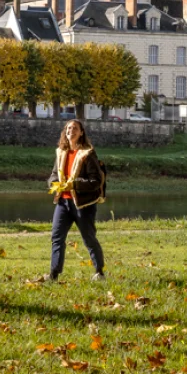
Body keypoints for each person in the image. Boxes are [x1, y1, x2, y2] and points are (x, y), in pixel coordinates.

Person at [44, 120, 107, 282]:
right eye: (68, 128)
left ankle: (99, 272)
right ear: (65, 132)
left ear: (81, 133)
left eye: (75, 128)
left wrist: (74, 184)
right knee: (57, 237)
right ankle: (53, 274)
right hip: (63, 203)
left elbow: (96, 181)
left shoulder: (88, 153)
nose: (71, 130)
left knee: (88, 238)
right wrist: (54, 184)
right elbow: (53, 175)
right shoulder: (61, 152)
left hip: (83, 205)